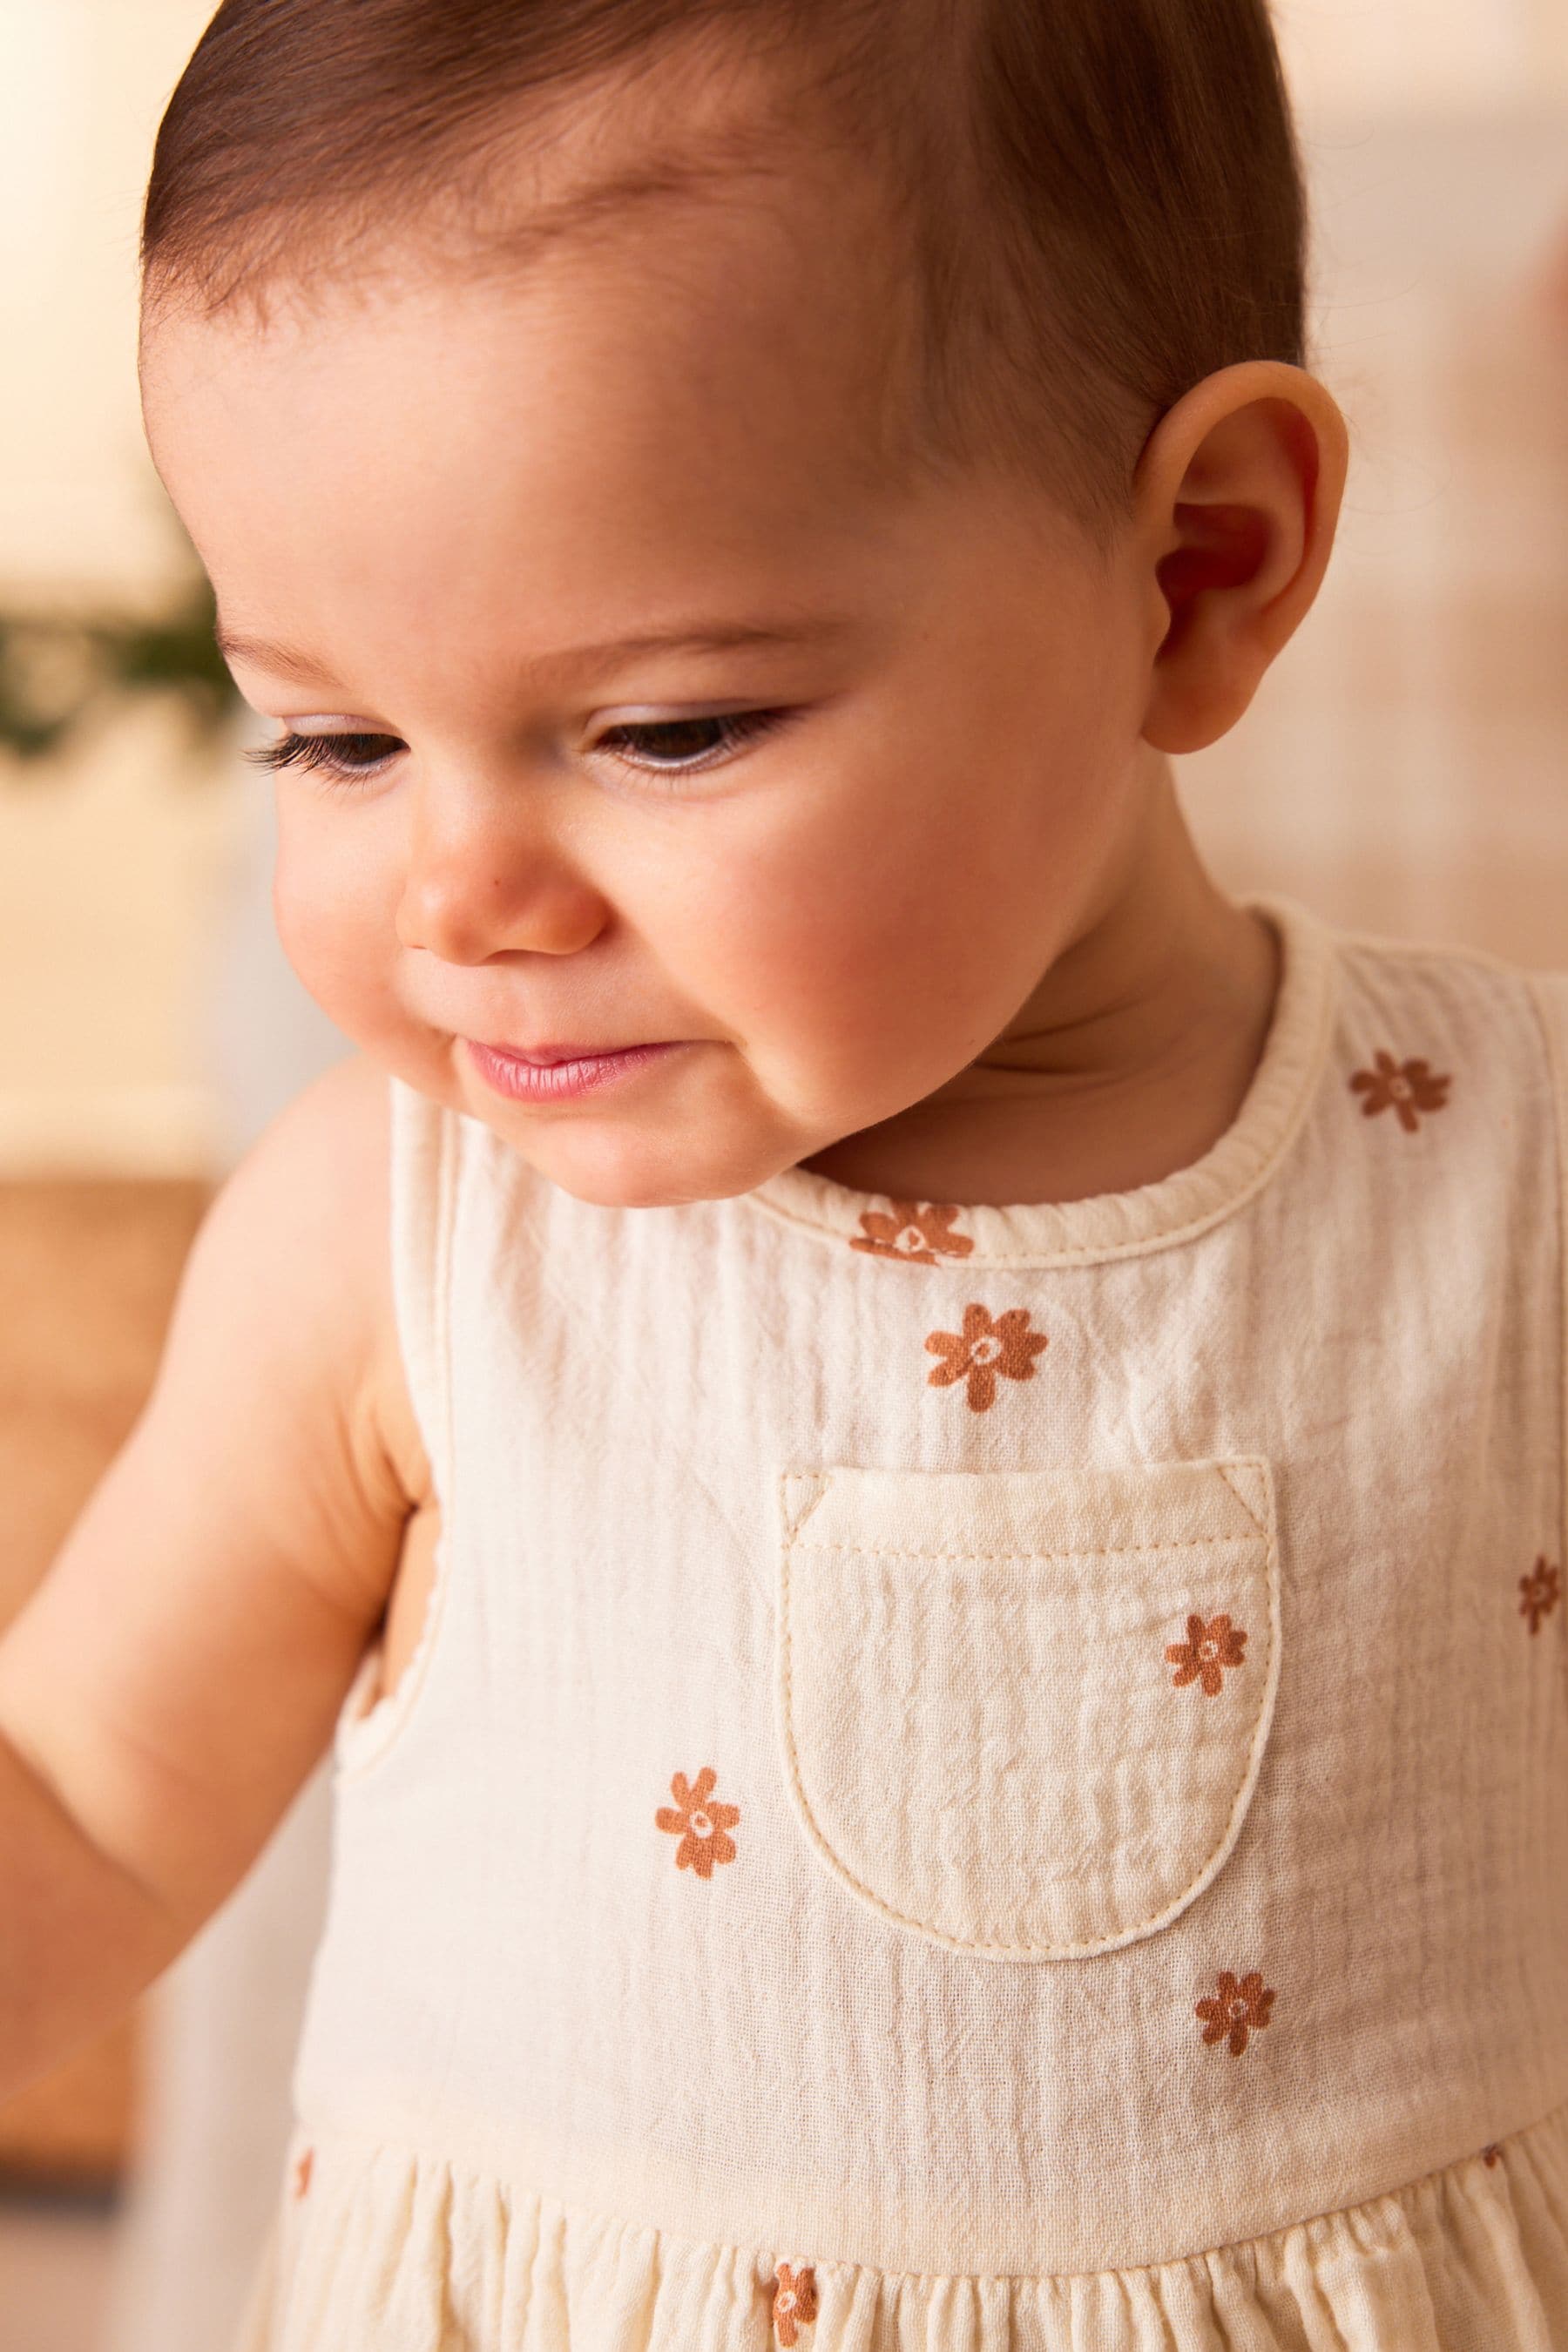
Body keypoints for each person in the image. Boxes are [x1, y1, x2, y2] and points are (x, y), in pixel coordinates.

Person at [3, 0, 1565, 2343]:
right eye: (329, 735)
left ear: (1200, 570)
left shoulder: (1506, 1185)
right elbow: (88, 1803)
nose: (462, 896)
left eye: (665, 726)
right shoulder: (401, 1237)